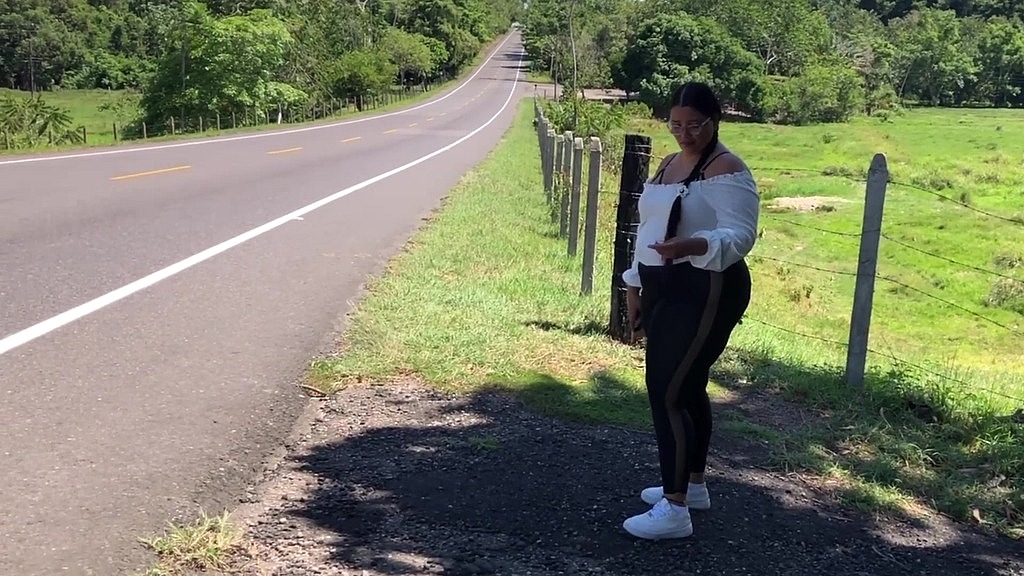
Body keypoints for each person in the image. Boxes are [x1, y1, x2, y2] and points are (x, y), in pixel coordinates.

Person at [620, 81, 760, 540]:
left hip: (706, 286)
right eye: (676, 124)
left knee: (668, 390)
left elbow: (740, 235)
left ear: (714, 121)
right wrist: (634, 284)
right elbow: (648, 226)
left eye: (695, 125)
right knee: (687, 383)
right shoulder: (667, 164)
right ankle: (692, 486)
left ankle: (674, 508)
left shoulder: (727, 169)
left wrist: (694, 245)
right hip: (663, 283)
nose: (684, 134)